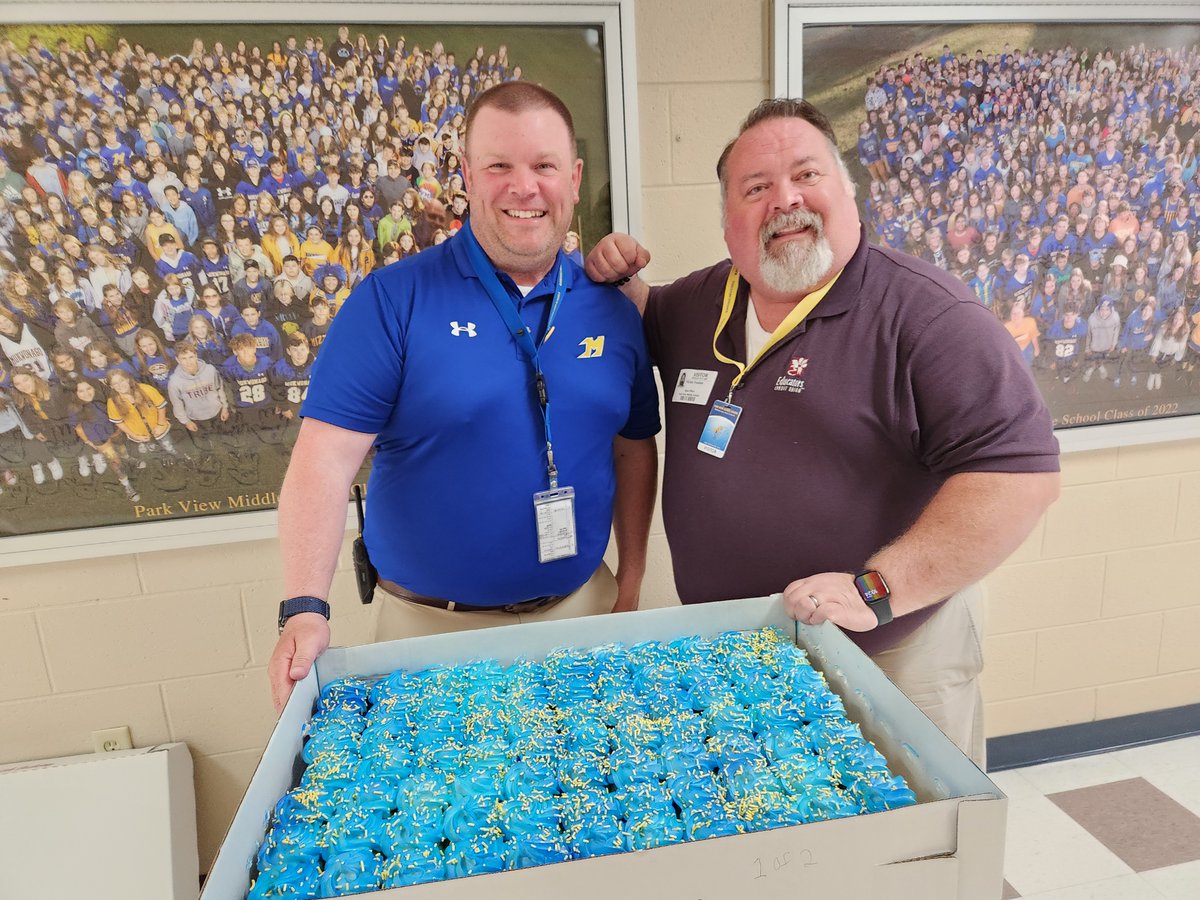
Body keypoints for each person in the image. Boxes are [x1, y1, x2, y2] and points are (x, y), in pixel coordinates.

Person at [585, 98, 1059, 765]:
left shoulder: (928, 317)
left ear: (849, 195)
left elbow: (1019, 479)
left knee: (914, 850)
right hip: (743, 659)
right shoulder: (692, 305)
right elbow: (628, 325)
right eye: (755, 189)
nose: (785, 200)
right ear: (727, 224)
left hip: (894, 654)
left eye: (807, 176)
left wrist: (878, 588)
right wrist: (613, 272)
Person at [268, 82, 660, 712]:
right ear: (469, 177)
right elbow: (322, 463)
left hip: (587, 612)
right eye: (499, 165)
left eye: (543, 166)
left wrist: (633, 579)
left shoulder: (614, 306)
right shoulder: (393, 301)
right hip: (431, 635)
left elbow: (633, 447)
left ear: (574, 177)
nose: (523, 186)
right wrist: (305, 607)